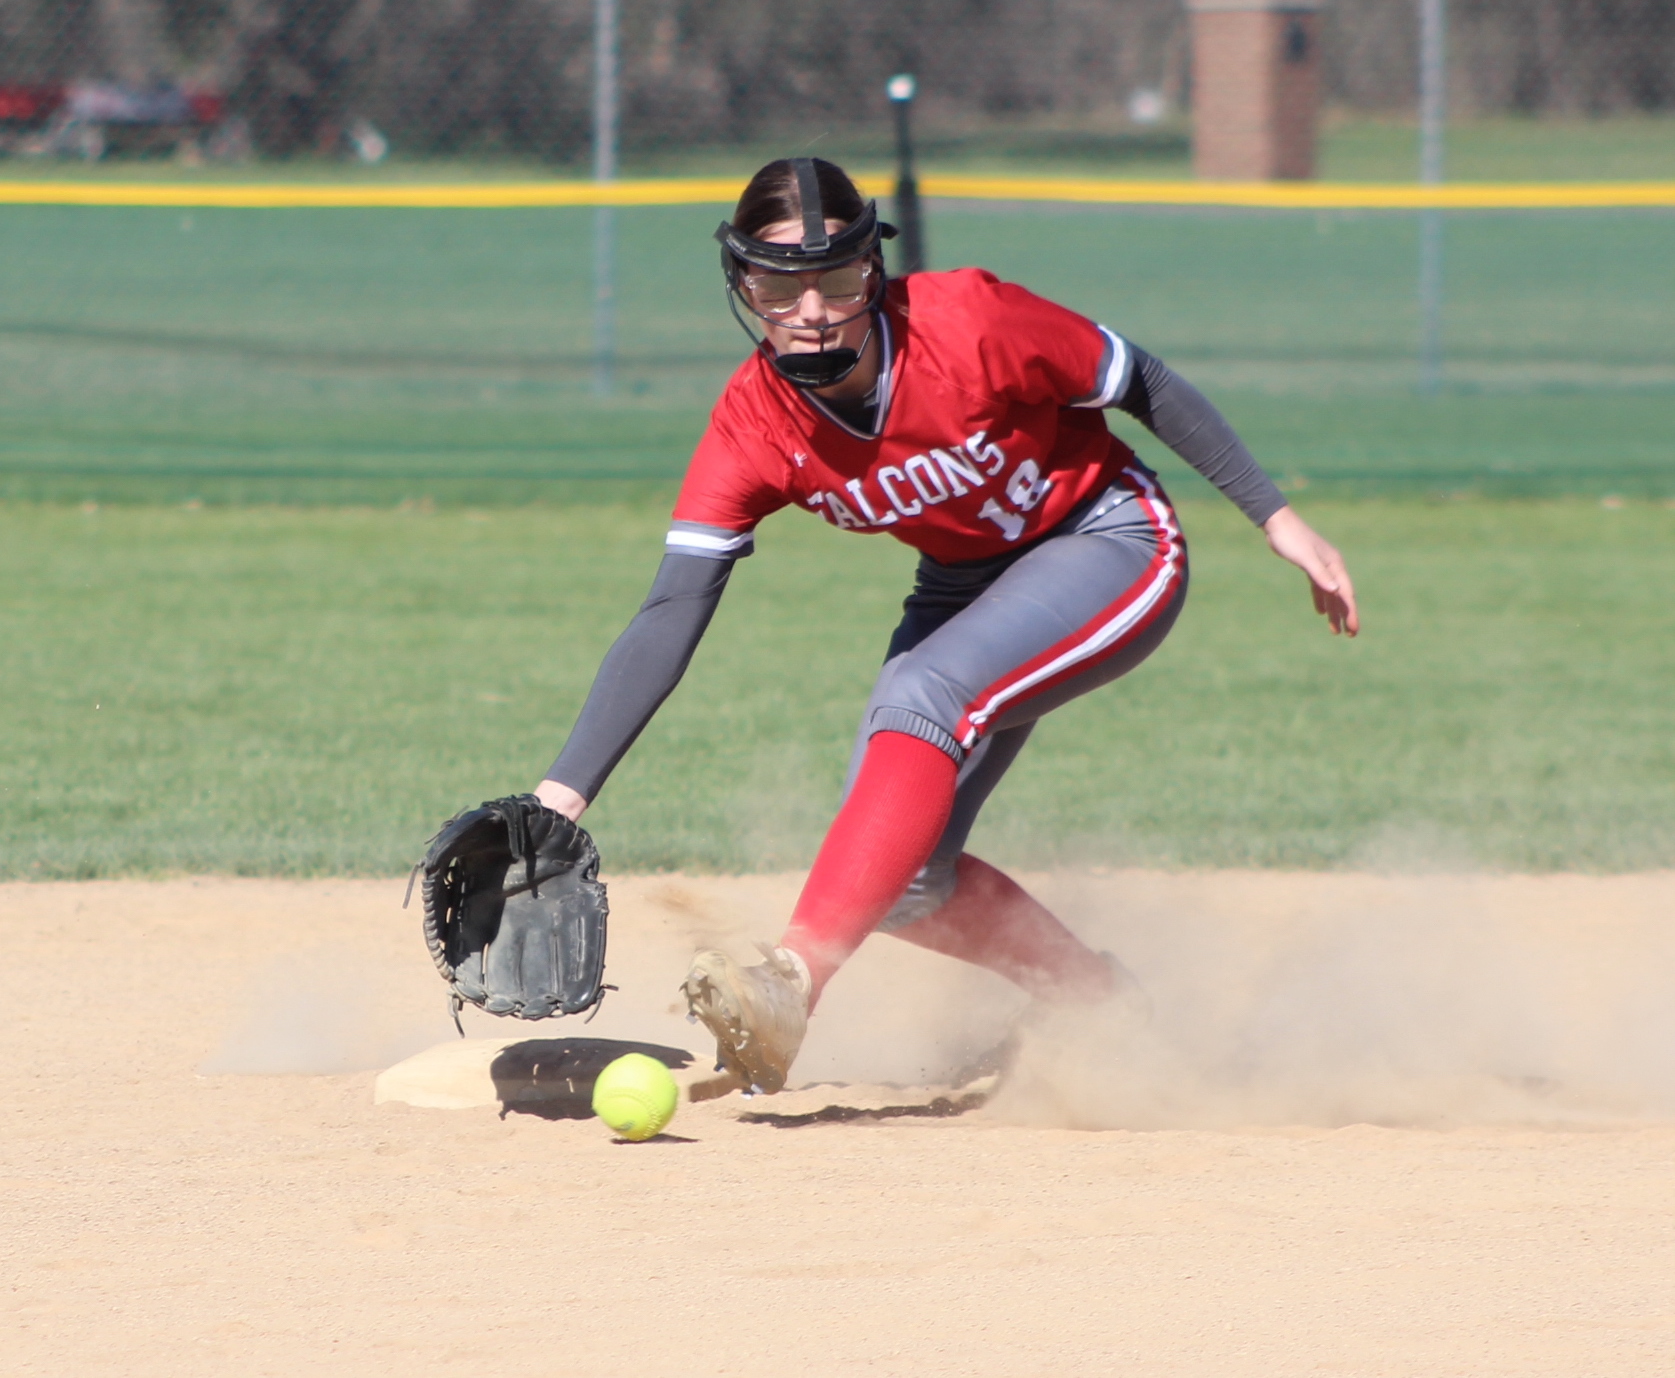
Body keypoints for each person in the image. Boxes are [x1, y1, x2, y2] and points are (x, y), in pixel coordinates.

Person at [534, 157, 1357, 1093]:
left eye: (836, 280)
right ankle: (1098, 1003)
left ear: (873, 270)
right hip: (964, 583)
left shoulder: (969, 322)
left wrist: (1274, 517)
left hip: (1107, 539)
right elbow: (675, 603)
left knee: (921, 691)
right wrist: (558, 800)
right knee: (903, 881)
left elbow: (1141, 380)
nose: (812, 312)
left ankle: (792, 983)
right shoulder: (753, 425)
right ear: (742, 286)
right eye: (779, 286)